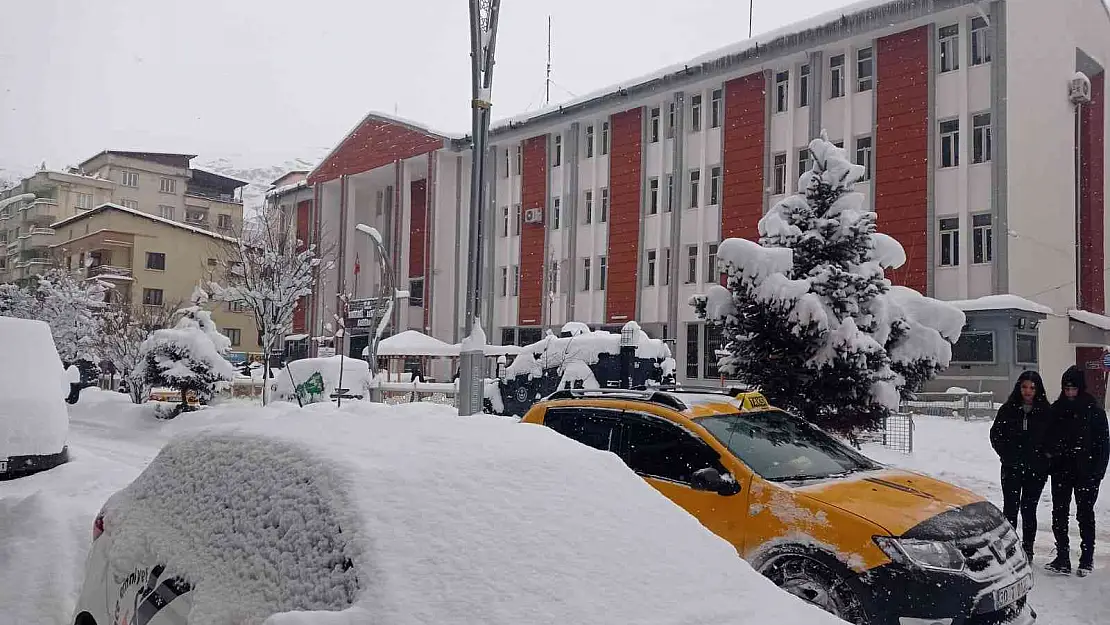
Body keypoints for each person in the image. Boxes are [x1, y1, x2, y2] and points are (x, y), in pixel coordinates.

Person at [1044, 366, 1109, 576]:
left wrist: (1096, 474)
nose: (1070, 393)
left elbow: (1103, 446)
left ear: (1081, 388)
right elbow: (1047, 439)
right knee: (1059, 514)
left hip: (1086, 473)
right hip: (1061, 471)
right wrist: (1051, 457)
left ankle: (1087, 558)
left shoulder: (1094, 411)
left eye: (1073, 389)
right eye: (1067, 388)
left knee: (1085, 515)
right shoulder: (1056, 410)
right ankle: (1062, 557)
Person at [990, 371, 1053, 560]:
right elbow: (996, 435)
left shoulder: (1046, 412)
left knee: (1029, 509)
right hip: (1011, 468)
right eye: (1024, 387)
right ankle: (1010, 547)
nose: (1028, 391)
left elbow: (1053, 438)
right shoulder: (1008, 409)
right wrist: (1007, 455)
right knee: (1010, 508)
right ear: (1019, 387)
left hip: (1036, 470)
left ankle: (1028, 548)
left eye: (1032, 388)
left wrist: (1044, 457)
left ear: (1038, 390)